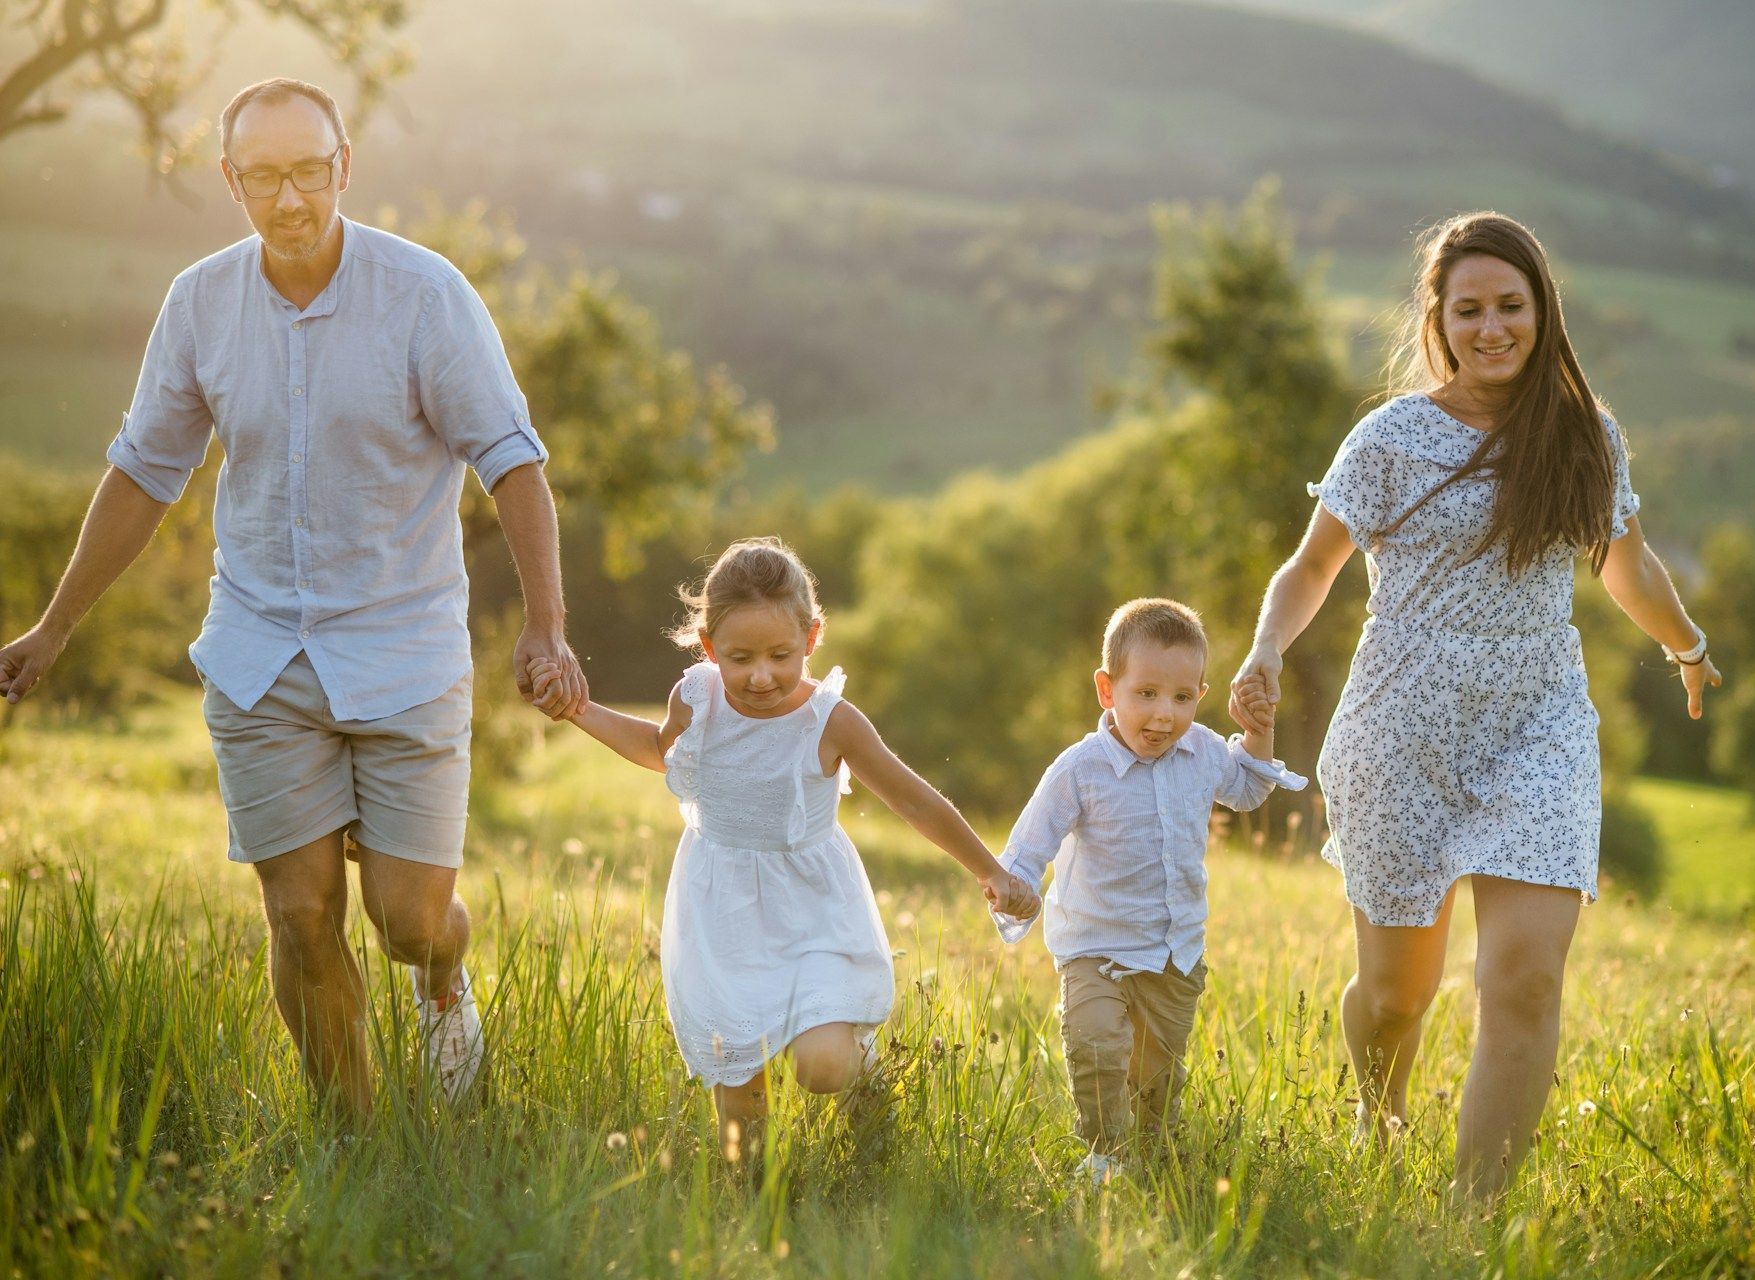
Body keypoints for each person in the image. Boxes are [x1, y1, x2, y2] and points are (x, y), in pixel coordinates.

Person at [0, 78, 588, 1120]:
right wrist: (52, 628)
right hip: (261, 650)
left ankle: (441, 978)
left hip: (403, 649)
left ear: (344, 167)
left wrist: (546, 626)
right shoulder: (200, 304)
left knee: (406, 916)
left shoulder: (424, 294)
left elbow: (511, 461)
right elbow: (144, 472)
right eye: (262, 176)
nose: (288, 197)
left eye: (307, 170)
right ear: (230, 181)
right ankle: (356, 1149)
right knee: (300, 912)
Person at [1230, 211, 1721, 1198]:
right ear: (1439, 320)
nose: (1493, 327)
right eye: (1471, 310)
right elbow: (1312, 563)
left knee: (1527, 978)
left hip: (1538, 724)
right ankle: (1377, 1110)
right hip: (1400, 731)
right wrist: (1265, 648)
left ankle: (1471, 1226)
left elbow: (1626, 563)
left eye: (1511, 305)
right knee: (1394, 994)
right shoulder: (1392, 437)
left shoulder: (1585, 435)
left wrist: (1687, 643)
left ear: (1542, 309)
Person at [527, 537, 1037, 1161]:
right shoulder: (696, 699)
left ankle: (867, 1084)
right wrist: (578, 709)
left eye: (780, 655)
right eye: (739, 658)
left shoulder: (831, 720)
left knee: (823, 1067)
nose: (760, 675)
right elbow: (661, 752)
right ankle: (756, 1200)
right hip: (721, 909)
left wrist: (990, 870)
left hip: (812, 909)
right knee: (738, 1077)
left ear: (812, 640)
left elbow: (915, 800)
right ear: (710, 648)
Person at [994, 598, 1306, 1184]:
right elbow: (1030, 843)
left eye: (1182, 698)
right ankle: (1103, 1156)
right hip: (1095, 946)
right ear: (1107, 690)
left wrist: (1258, 733)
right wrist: (1015, 886)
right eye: (1147, 694)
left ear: (1200, 696)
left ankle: (1149, 1158)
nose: (1165, 715)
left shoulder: (1204, 751)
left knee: (1156, 1079)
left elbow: (1248, 791)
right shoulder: (1079, 768)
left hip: (1172, 950)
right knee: (1094, 1045)